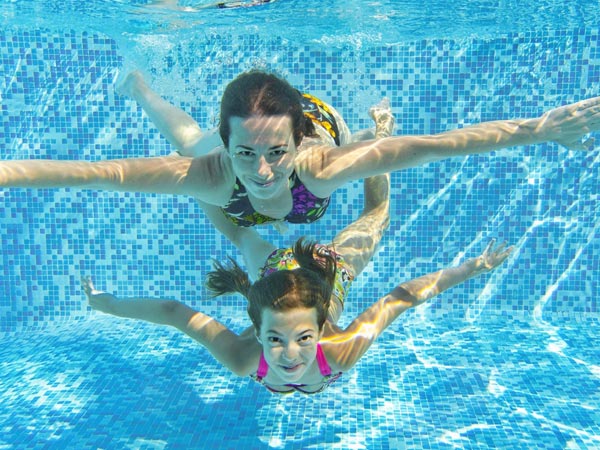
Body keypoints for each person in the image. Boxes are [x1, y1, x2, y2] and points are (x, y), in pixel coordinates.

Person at [1, 70, 595, 273]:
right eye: (246, 155)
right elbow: (92, 173)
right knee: (183, 138)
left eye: (275, 154)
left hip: (315, 120)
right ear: (229, 147)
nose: (262, 172)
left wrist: (541, 128)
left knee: (373, 149)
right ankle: (141, 88)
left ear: (296, 143)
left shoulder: (317, 165)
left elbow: (434, 146)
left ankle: (367, 130)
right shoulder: (210, 170)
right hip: (235, 138)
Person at [81, 173, 513, 394]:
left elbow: (403, 297)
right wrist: (105, 305)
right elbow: (175, 315)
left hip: (326, 274)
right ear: (256, 323)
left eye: (304, 337)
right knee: (238, 232)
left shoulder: (331, 349)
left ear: (323, 325)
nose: (289, 355)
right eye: (274, 338)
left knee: (376, 217)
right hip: (279, 271)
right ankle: (203, 173)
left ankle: (379, 138)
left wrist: (476, 266)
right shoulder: (246, 355)